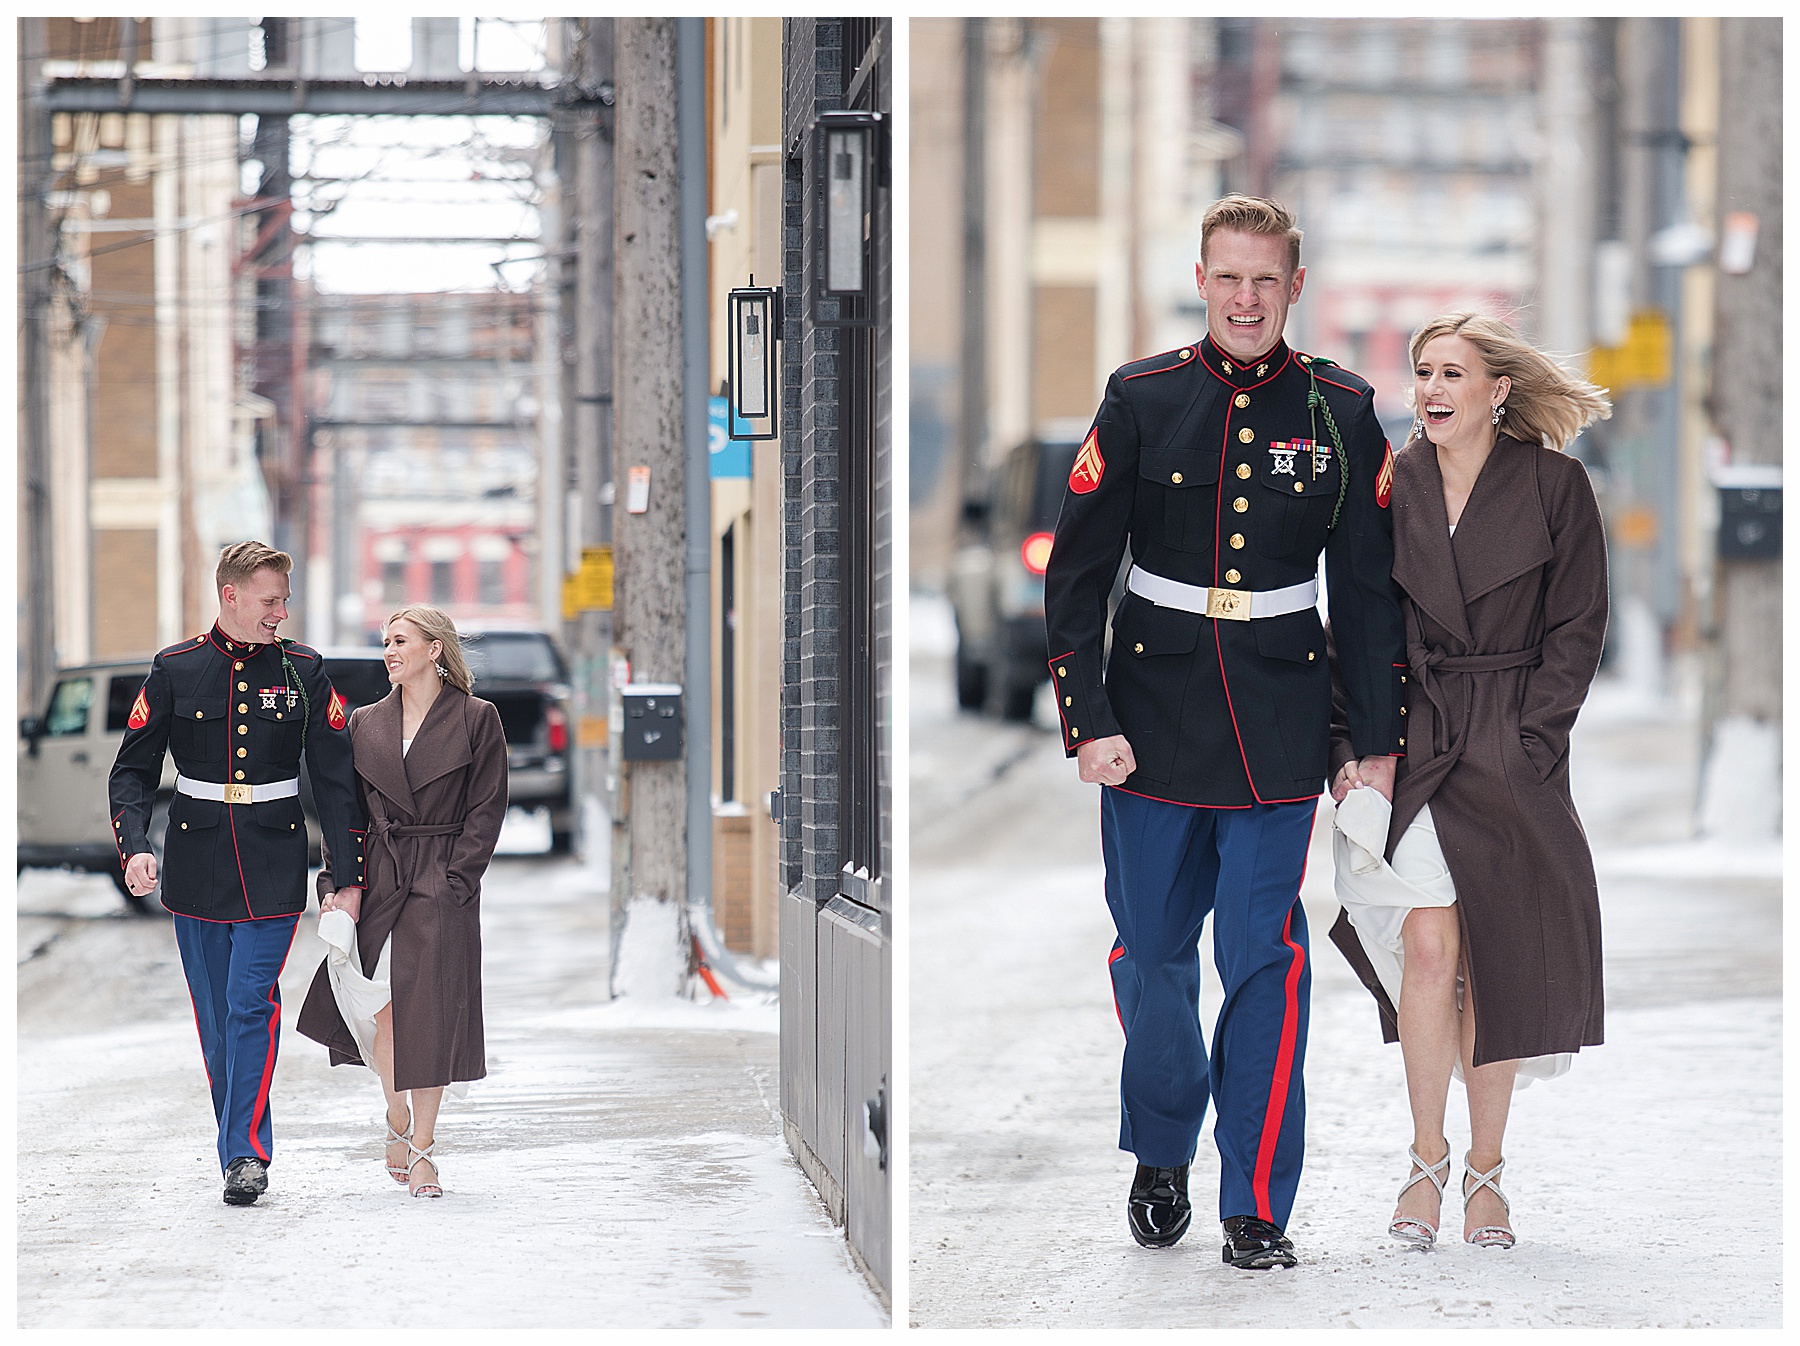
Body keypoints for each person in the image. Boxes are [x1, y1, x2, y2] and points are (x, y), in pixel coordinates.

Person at [1043, 194, 1407, 1269]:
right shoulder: (1143, 397)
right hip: (1147, 725)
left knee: (1265, 961)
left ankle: (1256, 1196)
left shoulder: (1341, 407)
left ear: (1296, 288)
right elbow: (1075, 575)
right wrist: (1086, 720)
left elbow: (1370, 592)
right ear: (1202, 280)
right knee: (1153, 954)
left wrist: (1370, 739)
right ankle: (1163, 1143)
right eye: (1228, 278)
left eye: (1267, 280)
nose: (1247, 299)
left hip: (1280, 723)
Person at [1327, 311, 1611, 1251]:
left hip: (1510, 745)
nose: (1433, 389)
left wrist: (1535, 740)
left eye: (1453, 372)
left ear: (1498, 391)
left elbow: (1577, 628)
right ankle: (1424, 1160)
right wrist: (1352, 742)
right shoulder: (1388, 484)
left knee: (1494, 953)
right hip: (1414, 743)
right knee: (1431, 948)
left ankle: (1487, 1172)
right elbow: (1359, 620)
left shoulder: (1557, 488)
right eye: (1423, 372)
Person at [108, 541, 366, 1206]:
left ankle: (247, 1154)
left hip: (275, 859)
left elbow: (338, 784)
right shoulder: (176, 668)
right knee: (216, 1016)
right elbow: (132, 770)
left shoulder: (304, 671)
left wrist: (346, 874)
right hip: (195, 860)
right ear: (231, 595)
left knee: (252, 1001)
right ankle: (238, 1143)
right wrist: (135, 843)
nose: (281, 612)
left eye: (285, 599)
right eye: (269, 600)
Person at [296, 605, 508, 1198]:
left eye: (400, 641)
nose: (388, 652)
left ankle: (423, 1149)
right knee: (383, 1010)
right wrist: (336, 885)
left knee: (431, 1013)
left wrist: (457, 881)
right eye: (385, 642)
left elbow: (486, 809)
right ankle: (396, 1117)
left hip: (440, 879)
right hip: (380, 876)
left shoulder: (476, 720)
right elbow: (347, 816)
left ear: (434, 649)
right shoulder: (365, 722)